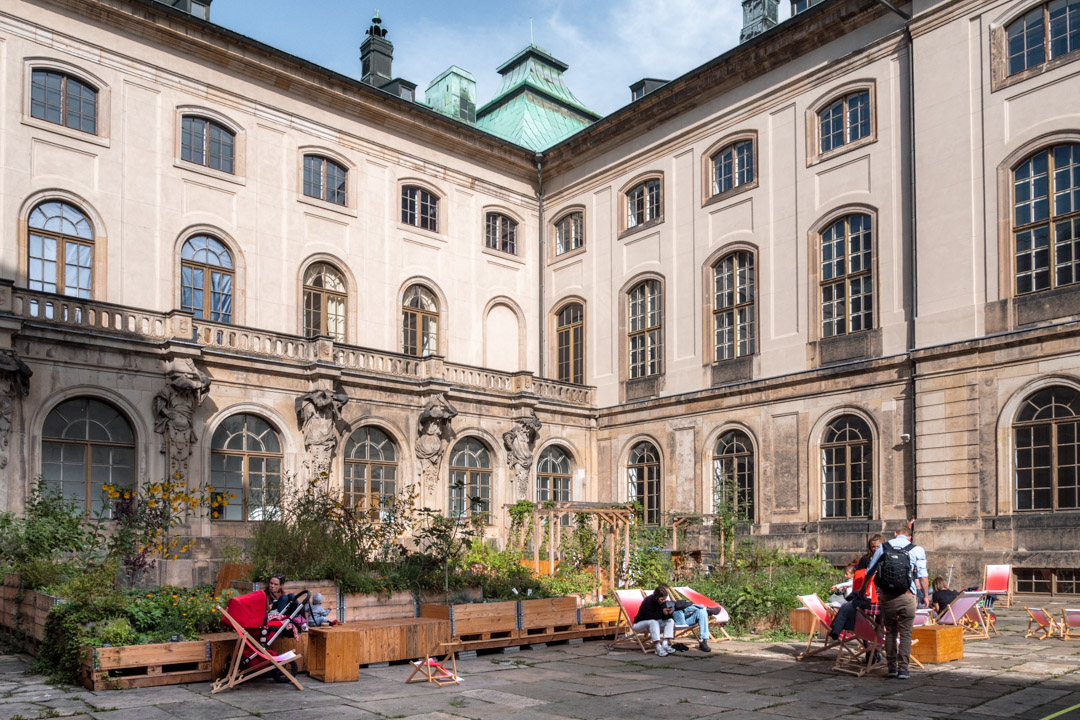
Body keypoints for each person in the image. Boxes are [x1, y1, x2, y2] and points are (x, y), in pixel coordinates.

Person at [865, 523, 928, 680]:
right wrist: (925, 595)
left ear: (895, 534)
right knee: (906, 633)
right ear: (909, 536)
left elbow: (870, 571)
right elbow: (923, 575)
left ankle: (891, 667)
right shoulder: (916, 549)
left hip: (887, 596)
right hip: (907, 595)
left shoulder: (884, 547)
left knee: (891, 632)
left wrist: (861, 590)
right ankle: (903, 669)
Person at [633, 586, 677, 656]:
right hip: (639, 624)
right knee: (653, 621)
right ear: (656, 597)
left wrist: (668, 614)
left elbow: (663, 617)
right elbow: (649, 616)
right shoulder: (648, 601)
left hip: (653, 624)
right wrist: (662, 613)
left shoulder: (663, 602)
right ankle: (657, 646)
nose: (663, 601)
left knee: (670, 621)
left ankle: (665, 644)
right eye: (662, 599)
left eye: (665, 599)